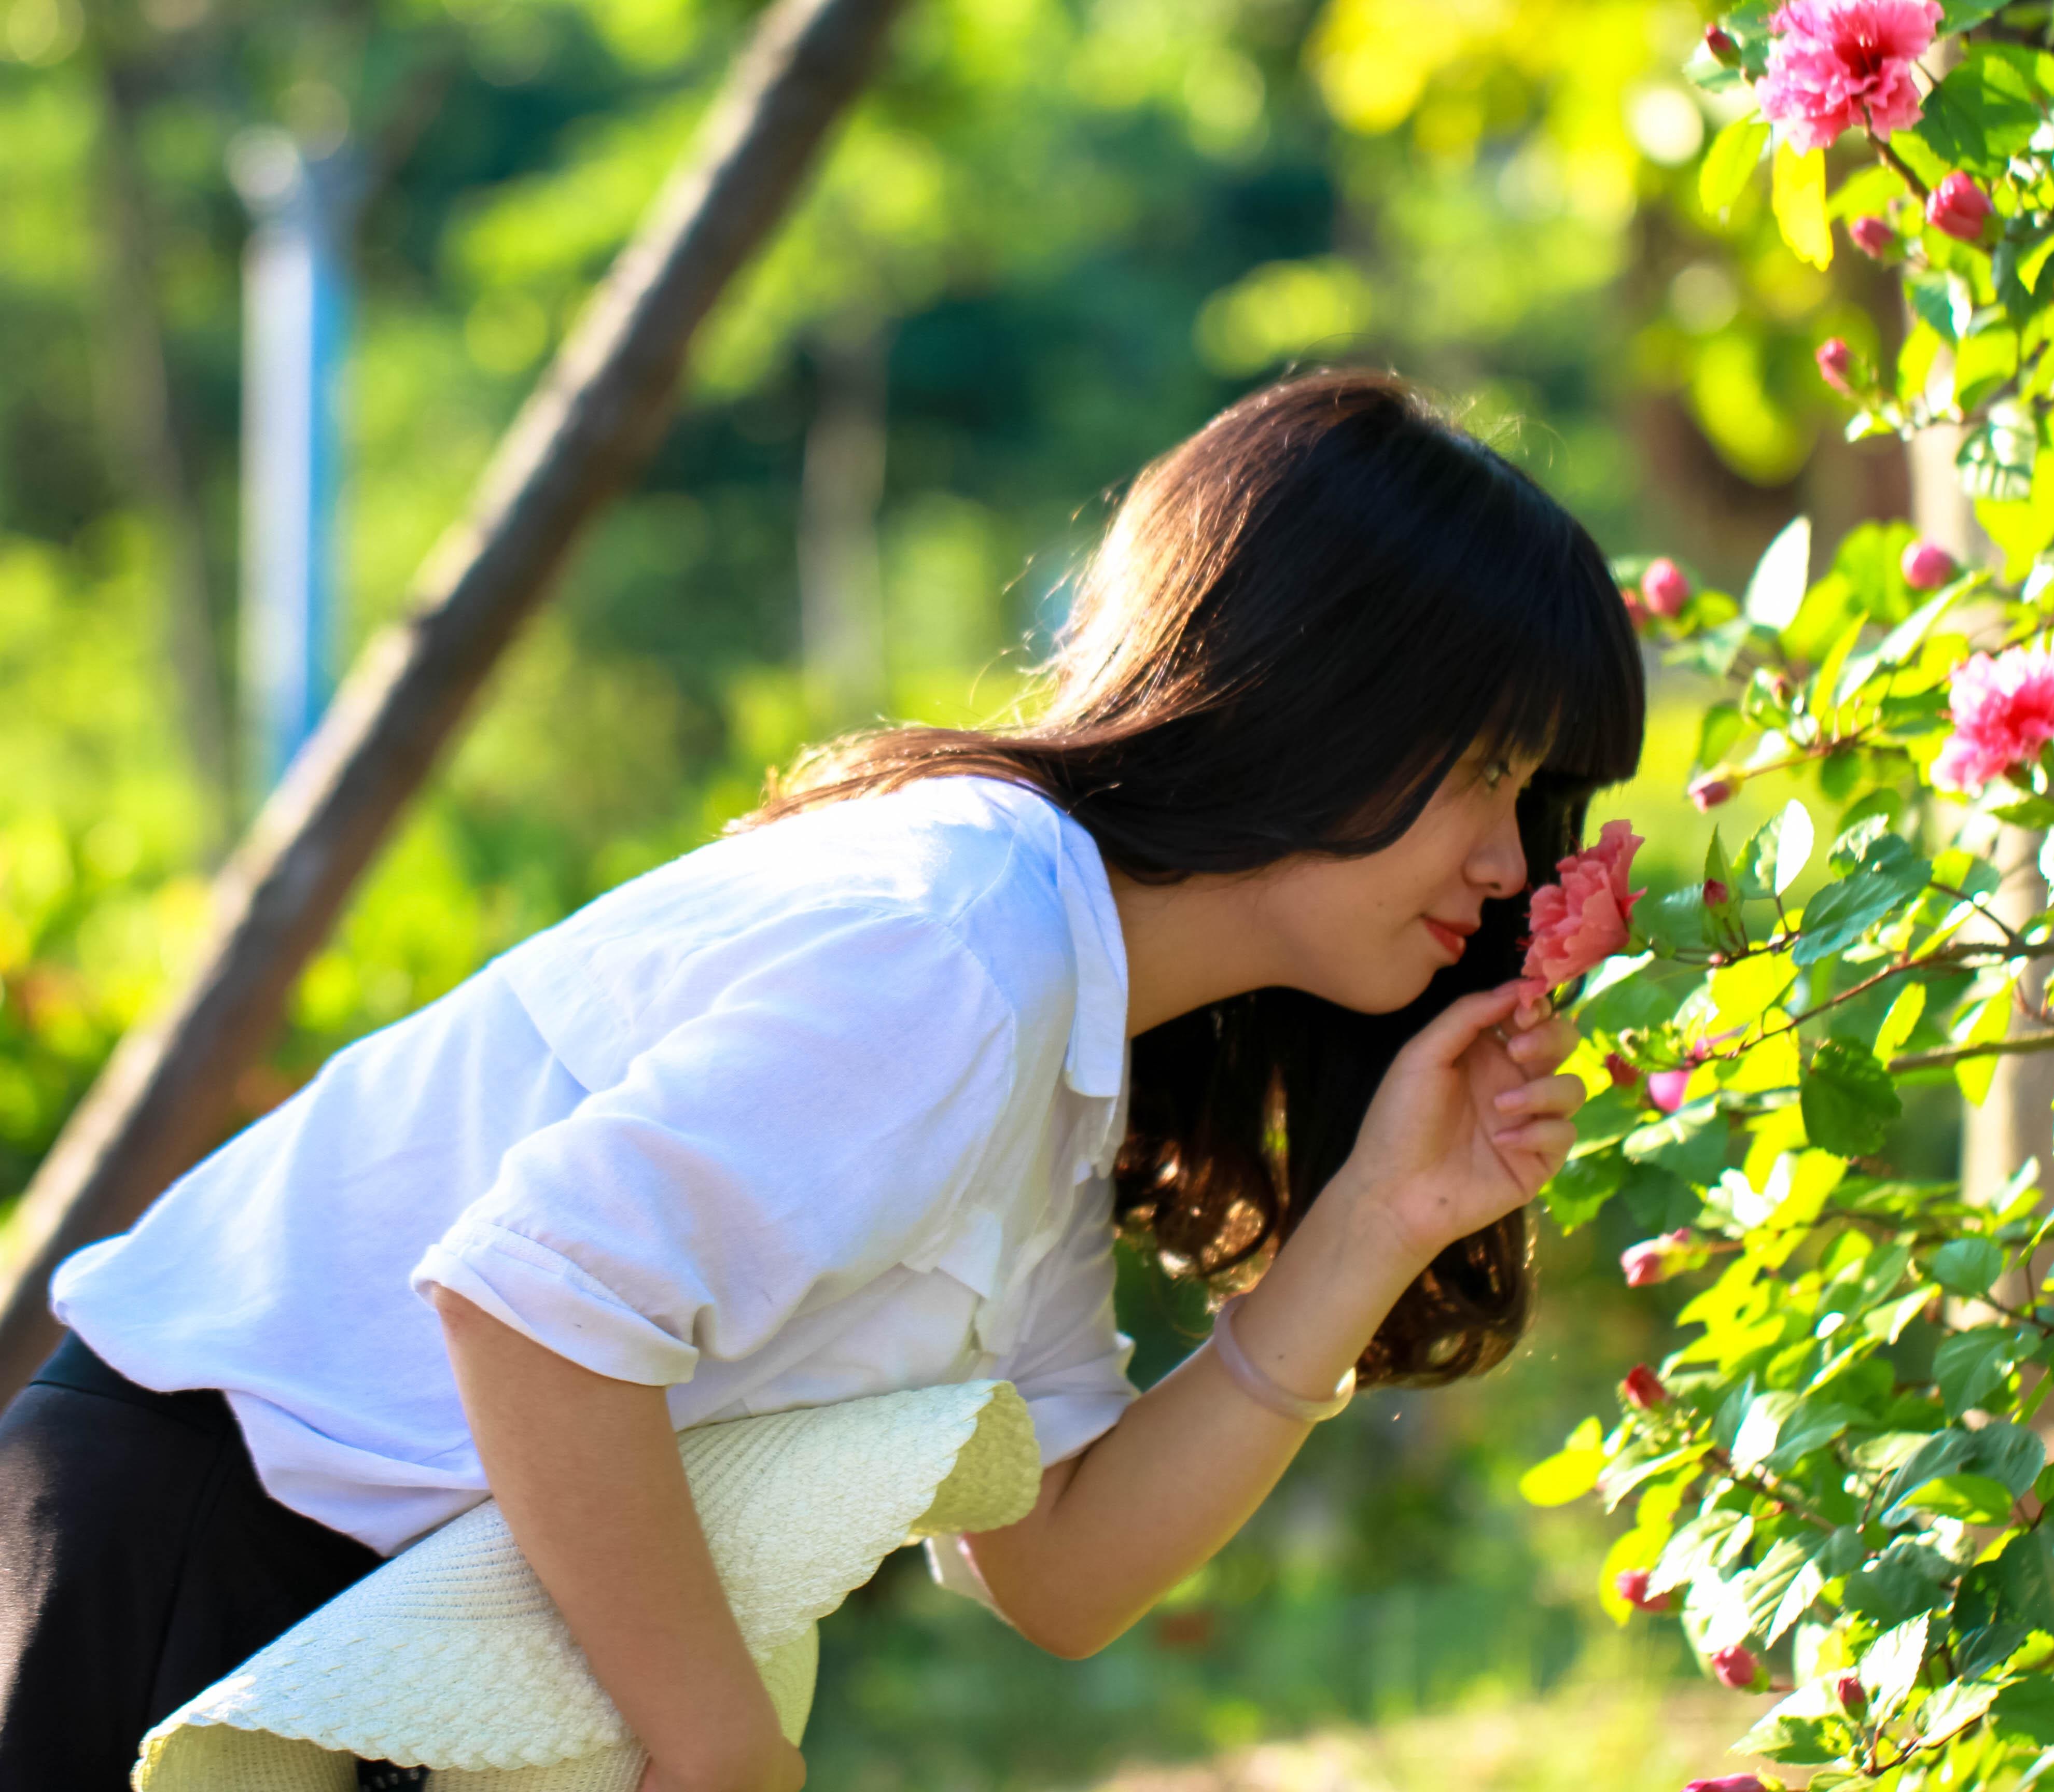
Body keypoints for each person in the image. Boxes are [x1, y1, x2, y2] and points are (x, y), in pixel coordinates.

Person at [0, 368, 1646, 1792]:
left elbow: (1063, 1568)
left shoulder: (1049, 1006)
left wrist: (1371, 1227)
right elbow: (530, 1307)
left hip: (287, 1590)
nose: (1512, 865)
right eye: (1490, 769)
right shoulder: (961, 949)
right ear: (1333, 699)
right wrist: (721, 1742)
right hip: (185, 1561)